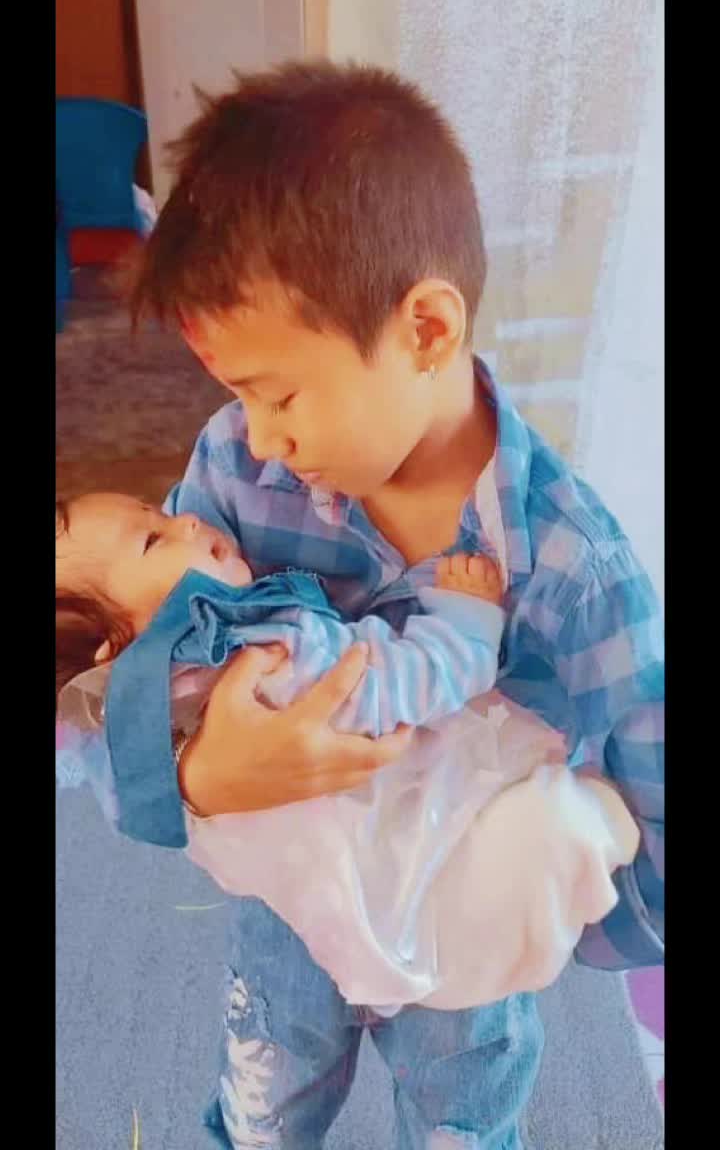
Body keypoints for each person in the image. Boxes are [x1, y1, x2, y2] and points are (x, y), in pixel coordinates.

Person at [57, 60, 664, 1149]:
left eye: (279, 393)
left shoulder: (572, 566)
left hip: (461, 952)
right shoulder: (235, 476)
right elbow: (120, 677)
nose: (256, 433)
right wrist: (197, 778)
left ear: (426, 330)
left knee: (461, 1119)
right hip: (294, 915)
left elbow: (650, 779)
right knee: (267, 1100)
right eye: (235, 394)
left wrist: (550, 914)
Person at [56, 492, 638, 1015]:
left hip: (347, 913)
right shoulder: (275, 656)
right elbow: (410, 684)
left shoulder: (142, 722)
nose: (185, 519)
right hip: (415, 888)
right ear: (115, 647)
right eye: (154, 539)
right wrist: (467, 619)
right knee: (544, 828)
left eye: (159, 512)